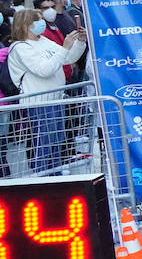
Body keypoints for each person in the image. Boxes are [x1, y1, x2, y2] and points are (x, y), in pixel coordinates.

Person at [5, 9, 86, 174]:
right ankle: (43, 177)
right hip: (39, 102)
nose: (42, 22)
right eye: (38, 19)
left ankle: (55, 175)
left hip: (56, 98)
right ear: (27, 24)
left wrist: (79, 43)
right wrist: (65, 48)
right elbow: (44, 70)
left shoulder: (43, 40)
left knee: (57, 140)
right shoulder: (21, 48)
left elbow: (68, 58)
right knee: (44, 143)